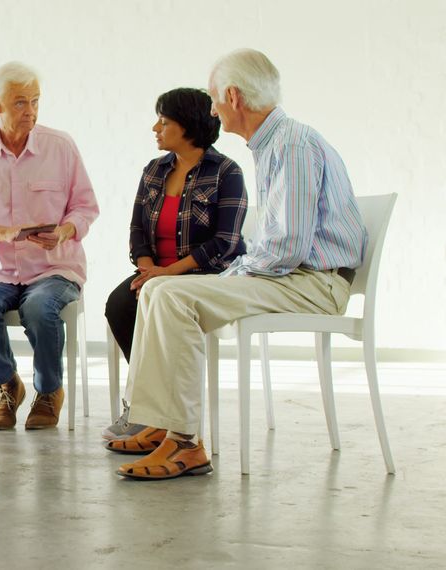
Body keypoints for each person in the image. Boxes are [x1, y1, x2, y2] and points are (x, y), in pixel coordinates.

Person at [113, 49, 368, 480]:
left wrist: (232, 273)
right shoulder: (273, 145)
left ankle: (185, 443)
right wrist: (237, 270)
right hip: (292, 276)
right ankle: (162, 425)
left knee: (172, 296)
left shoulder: (292, 144)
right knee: (159, 289)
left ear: (232, 96)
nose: (211, 109)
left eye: (213, 98)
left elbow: (285, 247)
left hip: (312, 283)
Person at [0, 62, 100, 431]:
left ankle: (48, 392)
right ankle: (7, 384)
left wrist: (64, 231)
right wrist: (1, 233)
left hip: (54, 268)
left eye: (35, 102)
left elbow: (86, 206)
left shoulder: (60, 146)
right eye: (19, 103)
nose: (29, 111)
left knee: (41, 308)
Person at [102, 88, 248, 446]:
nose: (155, 128)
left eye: (164, 122)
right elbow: (137, 230)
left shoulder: (226, 172)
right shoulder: (154, 170)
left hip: (203, 275)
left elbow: (225, 242)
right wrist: (148, 268)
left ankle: (149, 414)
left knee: (152, 299)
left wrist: (168, 273)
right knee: (119, 305)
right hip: (158, 273)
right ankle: (148, 410)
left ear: (188, 127)